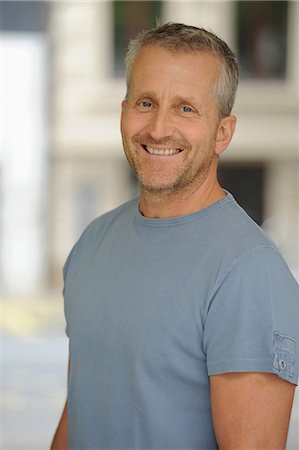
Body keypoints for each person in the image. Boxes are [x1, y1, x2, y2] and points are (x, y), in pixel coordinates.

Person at [51, 23, 299, 449]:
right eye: (146, 102)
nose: (159, 127)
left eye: (186, 109)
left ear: (223, 132)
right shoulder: (94, 241)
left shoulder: (249, 273)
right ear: (124, 109)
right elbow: (81, 409)